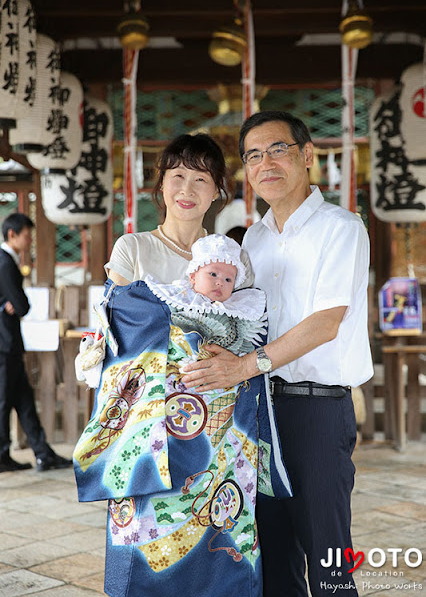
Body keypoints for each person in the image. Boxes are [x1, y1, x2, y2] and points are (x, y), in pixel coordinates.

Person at [181, 111, 374, 597]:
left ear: (307, 155)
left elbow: (326, 322)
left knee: (330, 563)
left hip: (318, 409)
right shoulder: (252, 241)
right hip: (257, 412)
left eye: (277, 149)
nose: (265, 162)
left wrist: (245, 365)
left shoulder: (341, 227)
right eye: (252, 155)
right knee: (271, 558)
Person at [74, 235, 291, 594]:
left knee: (223, 526)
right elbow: (119, 322)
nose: (187, 189)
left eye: (201, 179)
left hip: (221, 428)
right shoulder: (134, 246)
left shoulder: (243, 262)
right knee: (144, 531)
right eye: (177, 175)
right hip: (154, 422)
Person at [0, 212, 72, 473]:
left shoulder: (6, 261)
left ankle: (43, 454)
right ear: (12, 234)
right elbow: (21, 305)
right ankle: (2, 455)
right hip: (4, 344)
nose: (29, 240)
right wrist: (13, 304)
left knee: (24, 400)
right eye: (27, 235)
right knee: (4, 401)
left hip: (9, 344)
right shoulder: (5, 262)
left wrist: (13, 304)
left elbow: (15, 305)